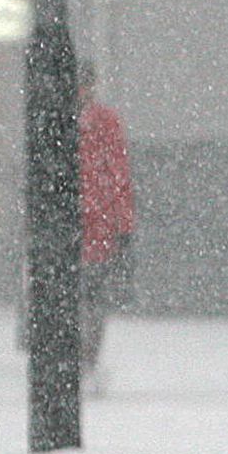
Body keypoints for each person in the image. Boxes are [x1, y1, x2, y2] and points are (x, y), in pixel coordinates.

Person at [77, 58, 135, 385]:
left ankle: (85, 359)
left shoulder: (103, 122)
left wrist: (123, 224)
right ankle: (84, 360)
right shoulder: (104, 122)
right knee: (88, 300)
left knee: (89, 300)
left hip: (91, 229)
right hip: (92, 228)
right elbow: (118, 176)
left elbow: (119, 176)